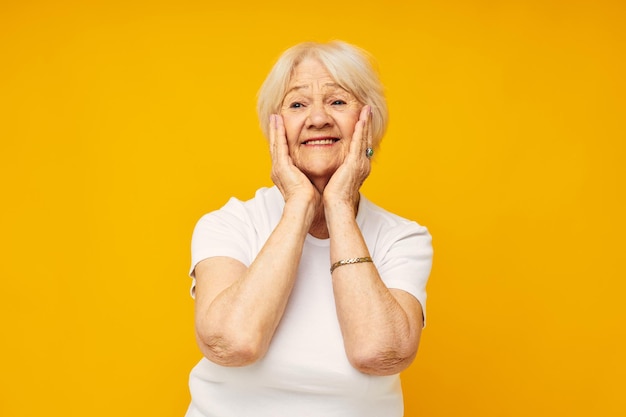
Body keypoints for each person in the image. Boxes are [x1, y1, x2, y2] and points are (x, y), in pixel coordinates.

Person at [185, 40, 433, 417]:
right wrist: (300, 204)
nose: (318, 119)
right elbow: (232, 344)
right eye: (297, 104)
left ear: (369, 123)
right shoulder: (228, 224)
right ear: (276, 128)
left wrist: (338, 207)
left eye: (337, 101)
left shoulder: (404, 238)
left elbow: (379, 353)